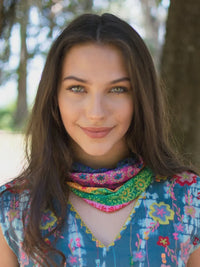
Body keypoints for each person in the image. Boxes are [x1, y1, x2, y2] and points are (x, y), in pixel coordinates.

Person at [0, 13, 200, 267]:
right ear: (54, 97)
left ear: (140, 97)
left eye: (117, 89)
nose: (96, 113)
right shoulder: (14, 208)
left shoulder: (189, 200)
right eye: (77, 88)